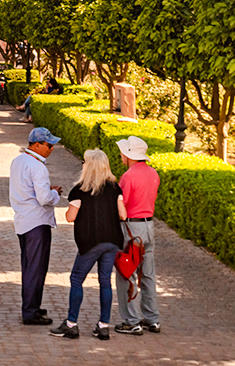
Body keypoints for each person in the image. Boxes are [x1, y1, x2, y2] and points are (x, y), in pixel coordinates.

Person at [50, 149, 128, 340]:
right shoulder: (115, 188)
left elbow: (70, 217)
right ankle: (103, 326)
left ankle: (71, 324)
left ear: (89, 166)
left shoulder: (80, 190)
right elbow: (123, 215)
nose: (82, 164)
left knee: (77, 279)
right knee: (105, 282)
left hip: (90, 242)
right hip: (112, 240)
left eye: (84, 162)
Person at [10, 126, 63, 326]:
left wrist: (47, 190)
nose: (52, 149)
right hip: (37, 223)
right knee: (36, 268)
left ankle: (32, 305)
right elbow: (44, 199)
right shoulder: (38, 167)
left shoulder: (18, 161)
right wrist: (55, 194)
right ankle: (30, 312)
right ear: (37, 145)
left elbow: (25, 188)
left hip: (23, 220)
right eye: (49, 145)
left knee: (29, 266)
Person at [113, 136, 161, 336]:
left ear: (129, 155)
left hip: (132, 228)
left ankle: (131, 321)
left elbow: (122, 206)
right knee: (147, 275)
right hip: (149, 226)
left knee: (127, 274)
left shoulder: (128, 176)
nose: (121, 155)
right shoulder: (153, 174)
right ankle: (152, 319)